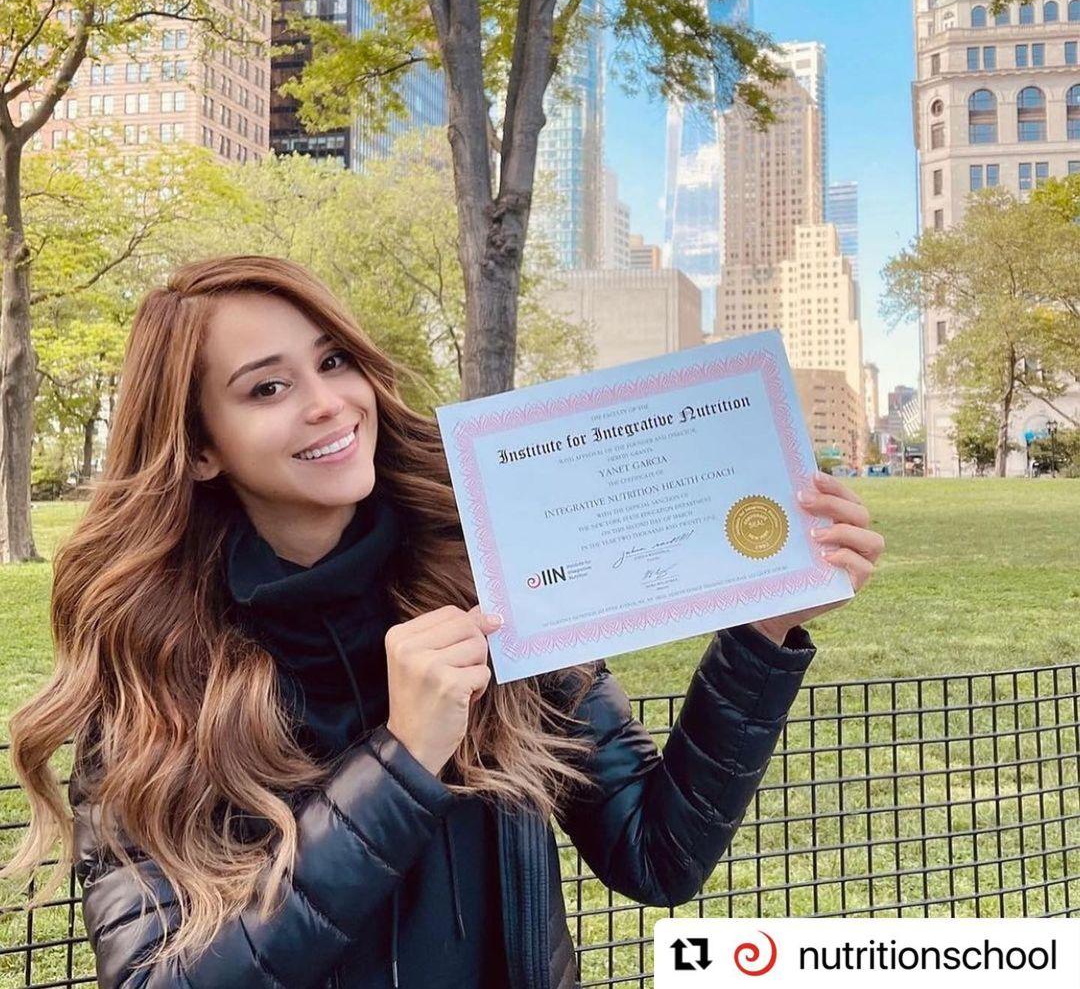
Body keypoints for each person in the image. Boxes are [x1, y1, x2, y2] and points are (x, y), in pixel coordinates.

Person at [1, 255, 884, 989]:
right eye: (268, 387)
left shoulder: (494, 580)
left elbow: (658, 852)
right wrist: (400, 760)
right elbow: (161, 977)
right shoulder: (158, 673)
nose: (329, 404)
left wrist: (762, 634)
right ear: (199, 446)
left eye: (334, 361)